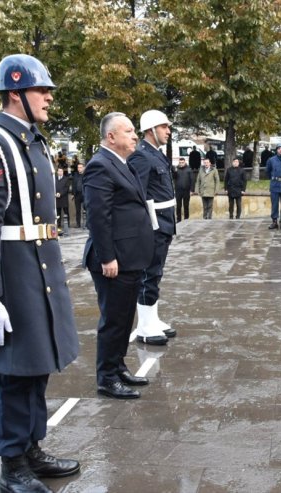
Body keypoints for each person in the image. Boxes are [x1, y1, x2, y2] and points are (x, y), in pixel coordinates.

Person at [0, 53, 79, 493]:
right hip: (13, 272)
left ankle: (31, 447)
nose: (48, 97)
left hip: (41, 264)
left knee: (37, 365)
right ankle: (12, 464)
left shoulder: (33, 140)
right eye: (40, 90)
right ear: (16, 93)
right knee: (15, 373)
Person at [83, 112, 154, 400]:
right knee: (113, 320)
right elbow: (99, 217)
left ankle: (118, 366)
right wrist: (107, 257)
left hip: (130, 258)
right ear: (111, 136)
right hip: (114, 261)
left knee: (125, 318)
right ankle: (106, 378)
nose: (135, 136)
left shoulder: (122, 164)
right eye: (128, 131)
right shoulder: (100, 165)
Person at [128, 109, 177, 344]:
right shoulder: (141, 156)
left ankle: (153, 319)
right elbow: (138, 195)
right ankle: (145, 326)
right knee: (149, 274)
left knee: (156, 273)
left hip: (165, 222)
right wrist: (147, 227)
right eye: (164, 127)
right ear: (151, 130)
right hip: (154, 225)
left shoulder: (156, 154)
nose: (168, 131)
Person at [266, 143, 281, 229]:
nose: (280, 150)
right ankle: (274, 221)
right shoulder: (271, 160)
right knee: (274, 204)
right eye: (279, 148)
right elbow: (267, 172)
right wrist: (273, 179)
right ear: (276, 150)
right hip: (275, 185)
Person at [173, 156, 194, 222]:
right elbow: (174, 178)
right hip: (178, 191)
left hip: (186, 191)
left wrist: (192, 190)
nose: (181, 164)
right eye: (180, 162)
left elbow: (192, 180)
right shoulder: (177, 169)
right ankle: (179, 219)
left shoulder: (189, 169)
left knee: (186, 205)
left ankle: (186, 219)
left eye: (182, 162)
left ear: (185, 162)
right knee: (178, 206)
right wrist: (175, 172)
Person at [55, 167, 71, 233]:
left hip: (63, 198)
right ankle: (58, 225)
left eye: (61, 171)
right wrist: (55, 193)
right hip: (56, 198)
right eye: (59, 171)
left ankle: (68, 224)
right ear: (57, 172)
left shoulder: (66, 179)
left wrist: (60, 193)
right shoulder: (54, 178)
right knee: (58, 213)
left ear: (63, 172)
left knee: (66, 212)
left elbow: (66, 188)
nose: (60, 172)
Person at [71, 162, 85, 227]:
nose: (79, 169)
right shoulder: (75, 175)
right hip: (77, 194)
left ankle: (87, 223)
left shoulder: (86, 175)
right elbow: (73, 185)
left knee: (87, 209)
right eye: (78, 167)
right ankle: (78, 224)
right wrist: (73, 193)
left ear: (83, 168)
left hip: (85, 194)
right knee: (78, 210)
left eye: (80, 167)